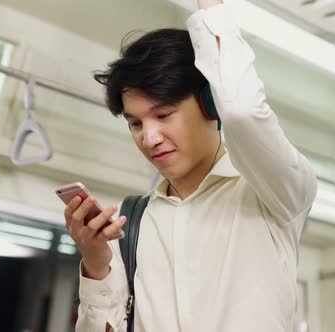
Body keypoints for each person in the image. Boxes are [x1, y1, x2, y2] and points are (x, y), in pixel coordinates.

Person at [63, 0, 318, 331]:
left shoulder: (273, 193)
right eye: (135, 123)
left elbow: (242, 113)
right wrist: (96, 262)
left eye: (164, 114)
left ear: (211, 104)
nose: (149, 137)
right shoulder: (134, 222)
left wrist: (212, 11)